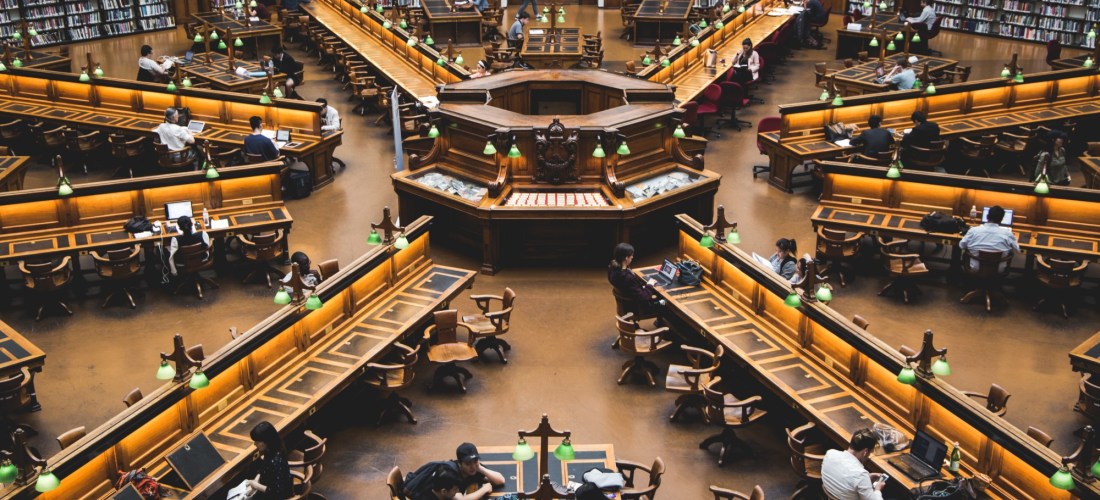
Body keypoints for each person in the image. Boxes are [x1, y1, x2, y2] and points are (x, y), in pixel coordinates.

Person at [822, 428, 887, 500]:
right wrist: (878, 489)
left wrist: (867, 478)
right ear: (865, 452)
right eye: (870, 452)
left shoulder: (830, 453)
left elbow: (845, 474)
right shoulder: (860, 475)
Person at [608, 242, 663, 315]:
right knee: (666, 303)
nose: (632, 257)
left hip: (625, 304)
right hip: (637, 308)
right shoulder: (627, 278)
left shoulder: (612, 268)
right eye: (631, 256)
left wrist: (642, 286)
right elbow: (644, 298)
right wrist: (649, 285)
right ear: (626, 258)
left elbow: (630, 287)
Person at [959, 205, 1020, 271]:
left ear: (987, 216)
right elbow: (1017, 250)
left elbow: (961, 245)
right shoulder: (1008, 234)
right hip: (998, 270)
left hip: (975, 268)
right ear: (1001, 219)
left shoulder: (973, 230)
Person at [246, 421, 293, 499]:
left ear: (266, 441)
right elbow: (263, 469)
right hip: (267, 486)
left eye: (257, 441)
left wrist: (255, 485)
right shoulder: (270, 450)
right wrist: (256, 480)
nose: (255, 444)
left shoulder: (276, 461)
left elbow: (276, 492)